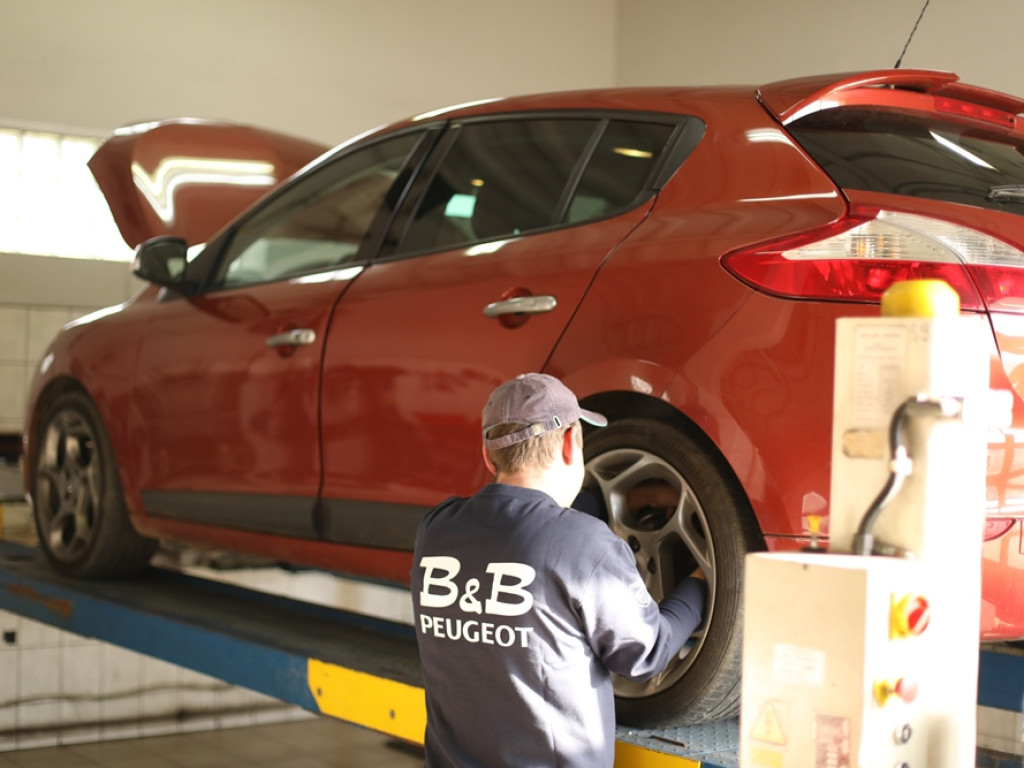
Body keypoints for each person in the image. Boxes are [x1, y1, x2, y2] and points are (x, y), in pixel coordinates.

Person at [411, 372, 706, 768]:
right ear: (572, 442)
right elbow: (646, 655)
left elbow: (526, 532)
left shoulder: (437, 529)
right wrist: (699, 585)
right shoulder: (585, 544)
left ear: (488, 456)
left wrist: (621, 499)